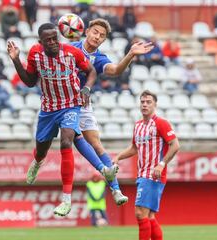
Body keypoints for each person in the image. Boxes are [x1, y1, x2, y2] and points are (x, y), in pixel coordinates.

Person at [7, 23, 117, 217]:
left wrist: (86, 89)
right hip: (49, 108)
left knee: (67, 140)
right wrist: (16, 60)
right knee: (42, 149)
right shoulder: (35, 53)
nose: (53, 42)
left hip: (71, 104)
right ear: (41, 42)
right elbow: (31, 81)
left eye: (55, 38)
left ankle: (66, 200)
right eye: (48, 40)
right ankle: (38, 161)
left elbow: (91, 71)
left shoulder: (70, 52)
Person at [70, 18, 154, 205]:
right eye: (95, 32)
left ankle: (116, 190)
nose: (97, 37)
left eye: (102, 36)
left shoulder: (99, 58)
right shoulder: (70, 48)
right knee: (68, 138)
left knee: (97, 145)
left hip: (82, 104)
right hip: (62, 102)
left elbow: (115, 70)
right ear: (88, 31)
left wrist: (131, 54)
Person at [113, 90, 180, 240]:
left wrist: (161, 164)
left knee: (140, 213)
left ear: (155, 104)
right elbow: (134, 148)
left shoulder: (161, 123)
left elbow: (175, 145)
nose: (144, 105)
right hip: (142, 174)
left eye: (148, 102)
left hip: (153, 175)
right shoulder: (138, 125)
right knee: (148, 215)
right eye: (142, 102)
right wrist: (118, 157)